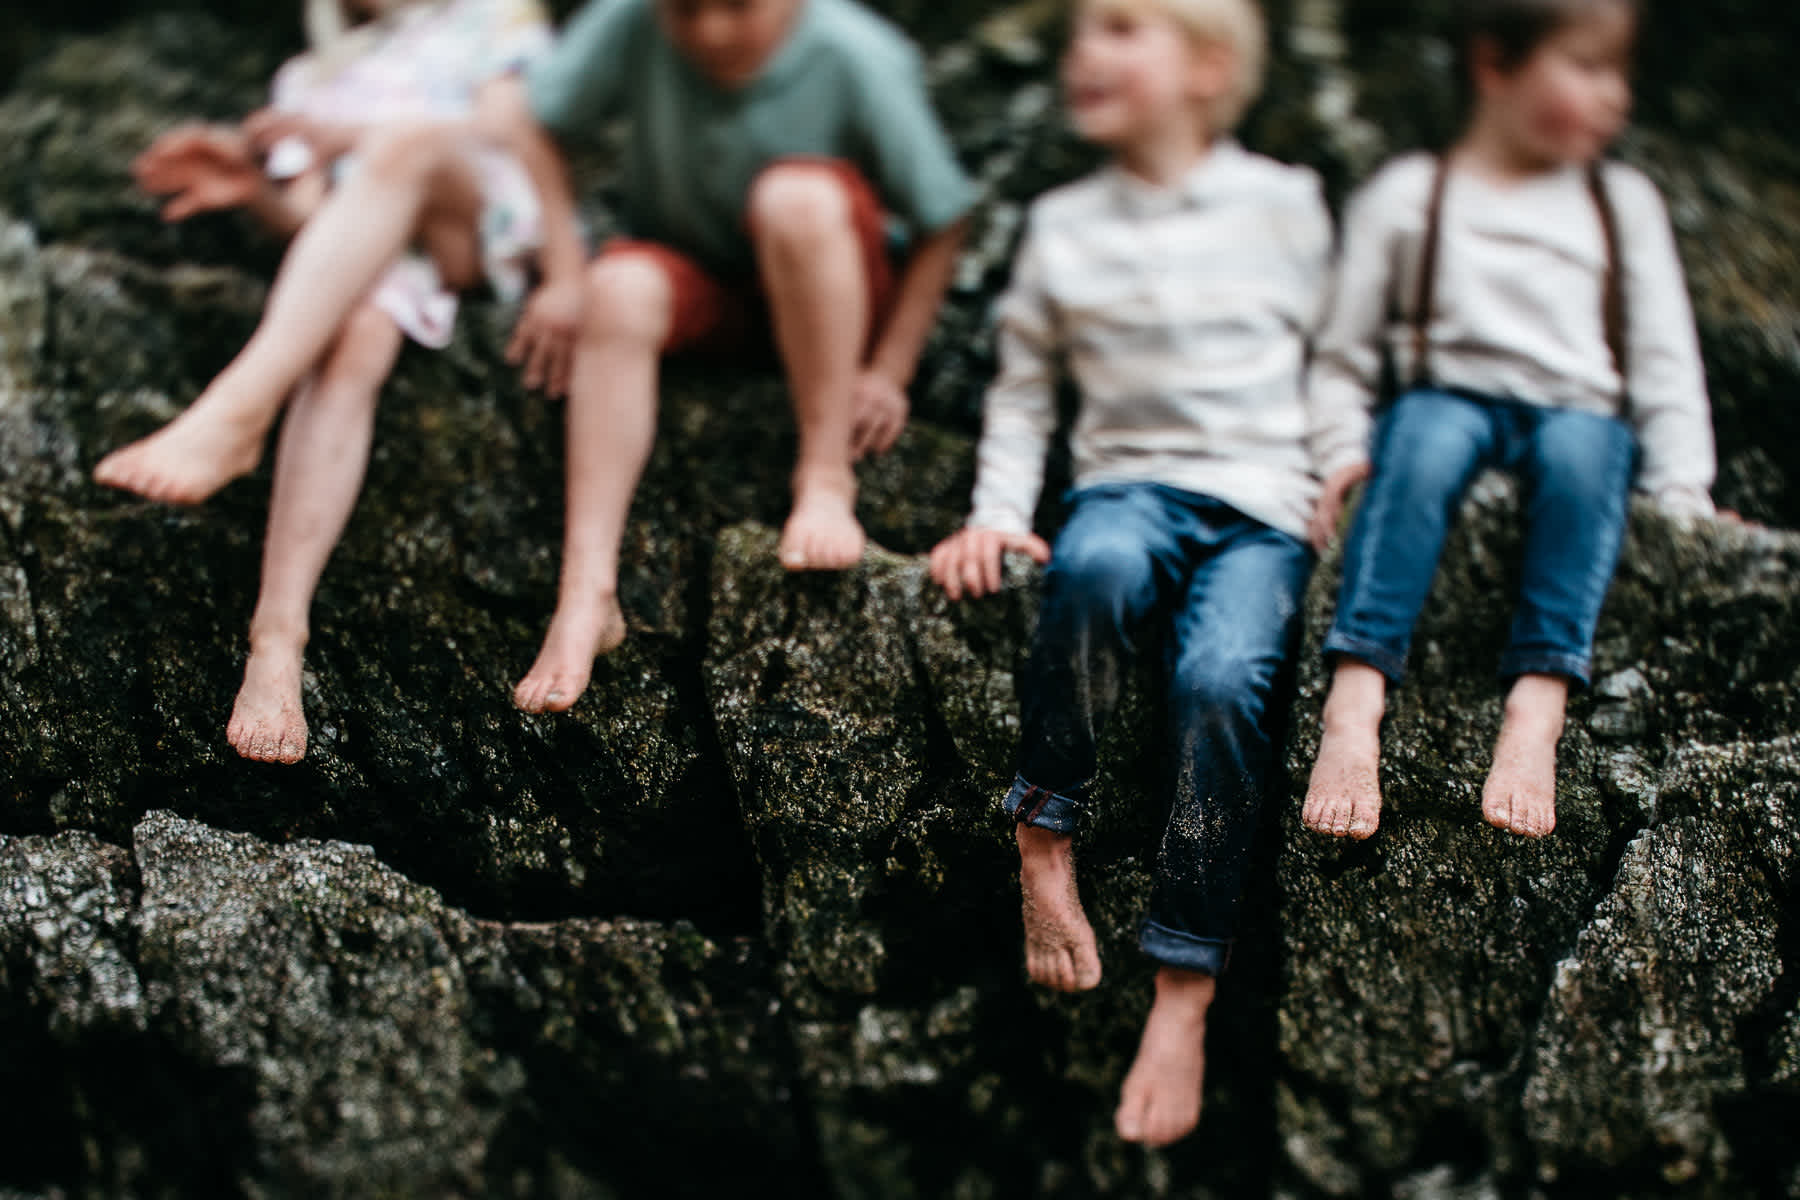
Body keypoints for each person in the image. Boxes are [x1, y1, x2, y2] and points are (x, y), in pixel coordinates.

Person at [929, 0, 1328, 1148]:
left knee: (1222, 681)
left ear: (1206, 66)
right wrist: (997, 517)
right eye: (1078, 33)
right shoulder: (1062, 224)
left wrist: (1343, 457)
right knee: (1095, 569)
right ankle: (1042, 842)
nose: (1084, 54)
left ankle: (1183, 993)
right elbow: (1021, 391)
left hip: (1263, 507)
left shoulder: (1284, 205)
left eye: (1120, 28)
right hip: (1128, 489)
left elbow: (1339, 358)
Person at [484, 0, 977, 715]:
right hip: (701, 284)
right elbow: (534, 122)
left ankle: (824, 476)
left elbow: (944, 215)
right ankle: (586, 594)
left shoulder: (852, 51)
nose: (711, 31)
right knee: (613, 287)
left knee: (797, 199)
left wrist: (889, 370)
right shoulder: (630, 20)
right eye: (685, 12)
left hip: (828, 293)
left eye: (738, 8)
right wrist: (564, 273)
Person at [1301, 0, 1717, 841]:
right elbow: (1341, 354)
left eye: (1620, 74)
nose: (1617, 99)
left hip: (1577, 409)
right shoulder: (1413, 194)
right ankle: (1355, 702)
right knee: (1416, 442)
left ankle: (1537, 709)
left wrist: (1684, 492)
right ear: (1495, 65)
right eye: (1588, 68)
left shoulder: (1619, 200)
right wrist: (1342, 451)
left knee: (1586, 457)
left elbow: (1664, 356)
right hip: (1447, 394)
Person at [98, 0, 553, 763]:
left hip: (474, 225)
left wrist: (351, 139)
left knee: (406, 147)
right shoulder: (311, 75)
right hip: (378, 254)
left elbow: (506, 134)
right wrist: (251, 185)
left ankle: (236, 409)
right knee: (355, 335)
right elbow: (313, 222)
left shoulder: (494, 15)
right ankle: (277, 642)